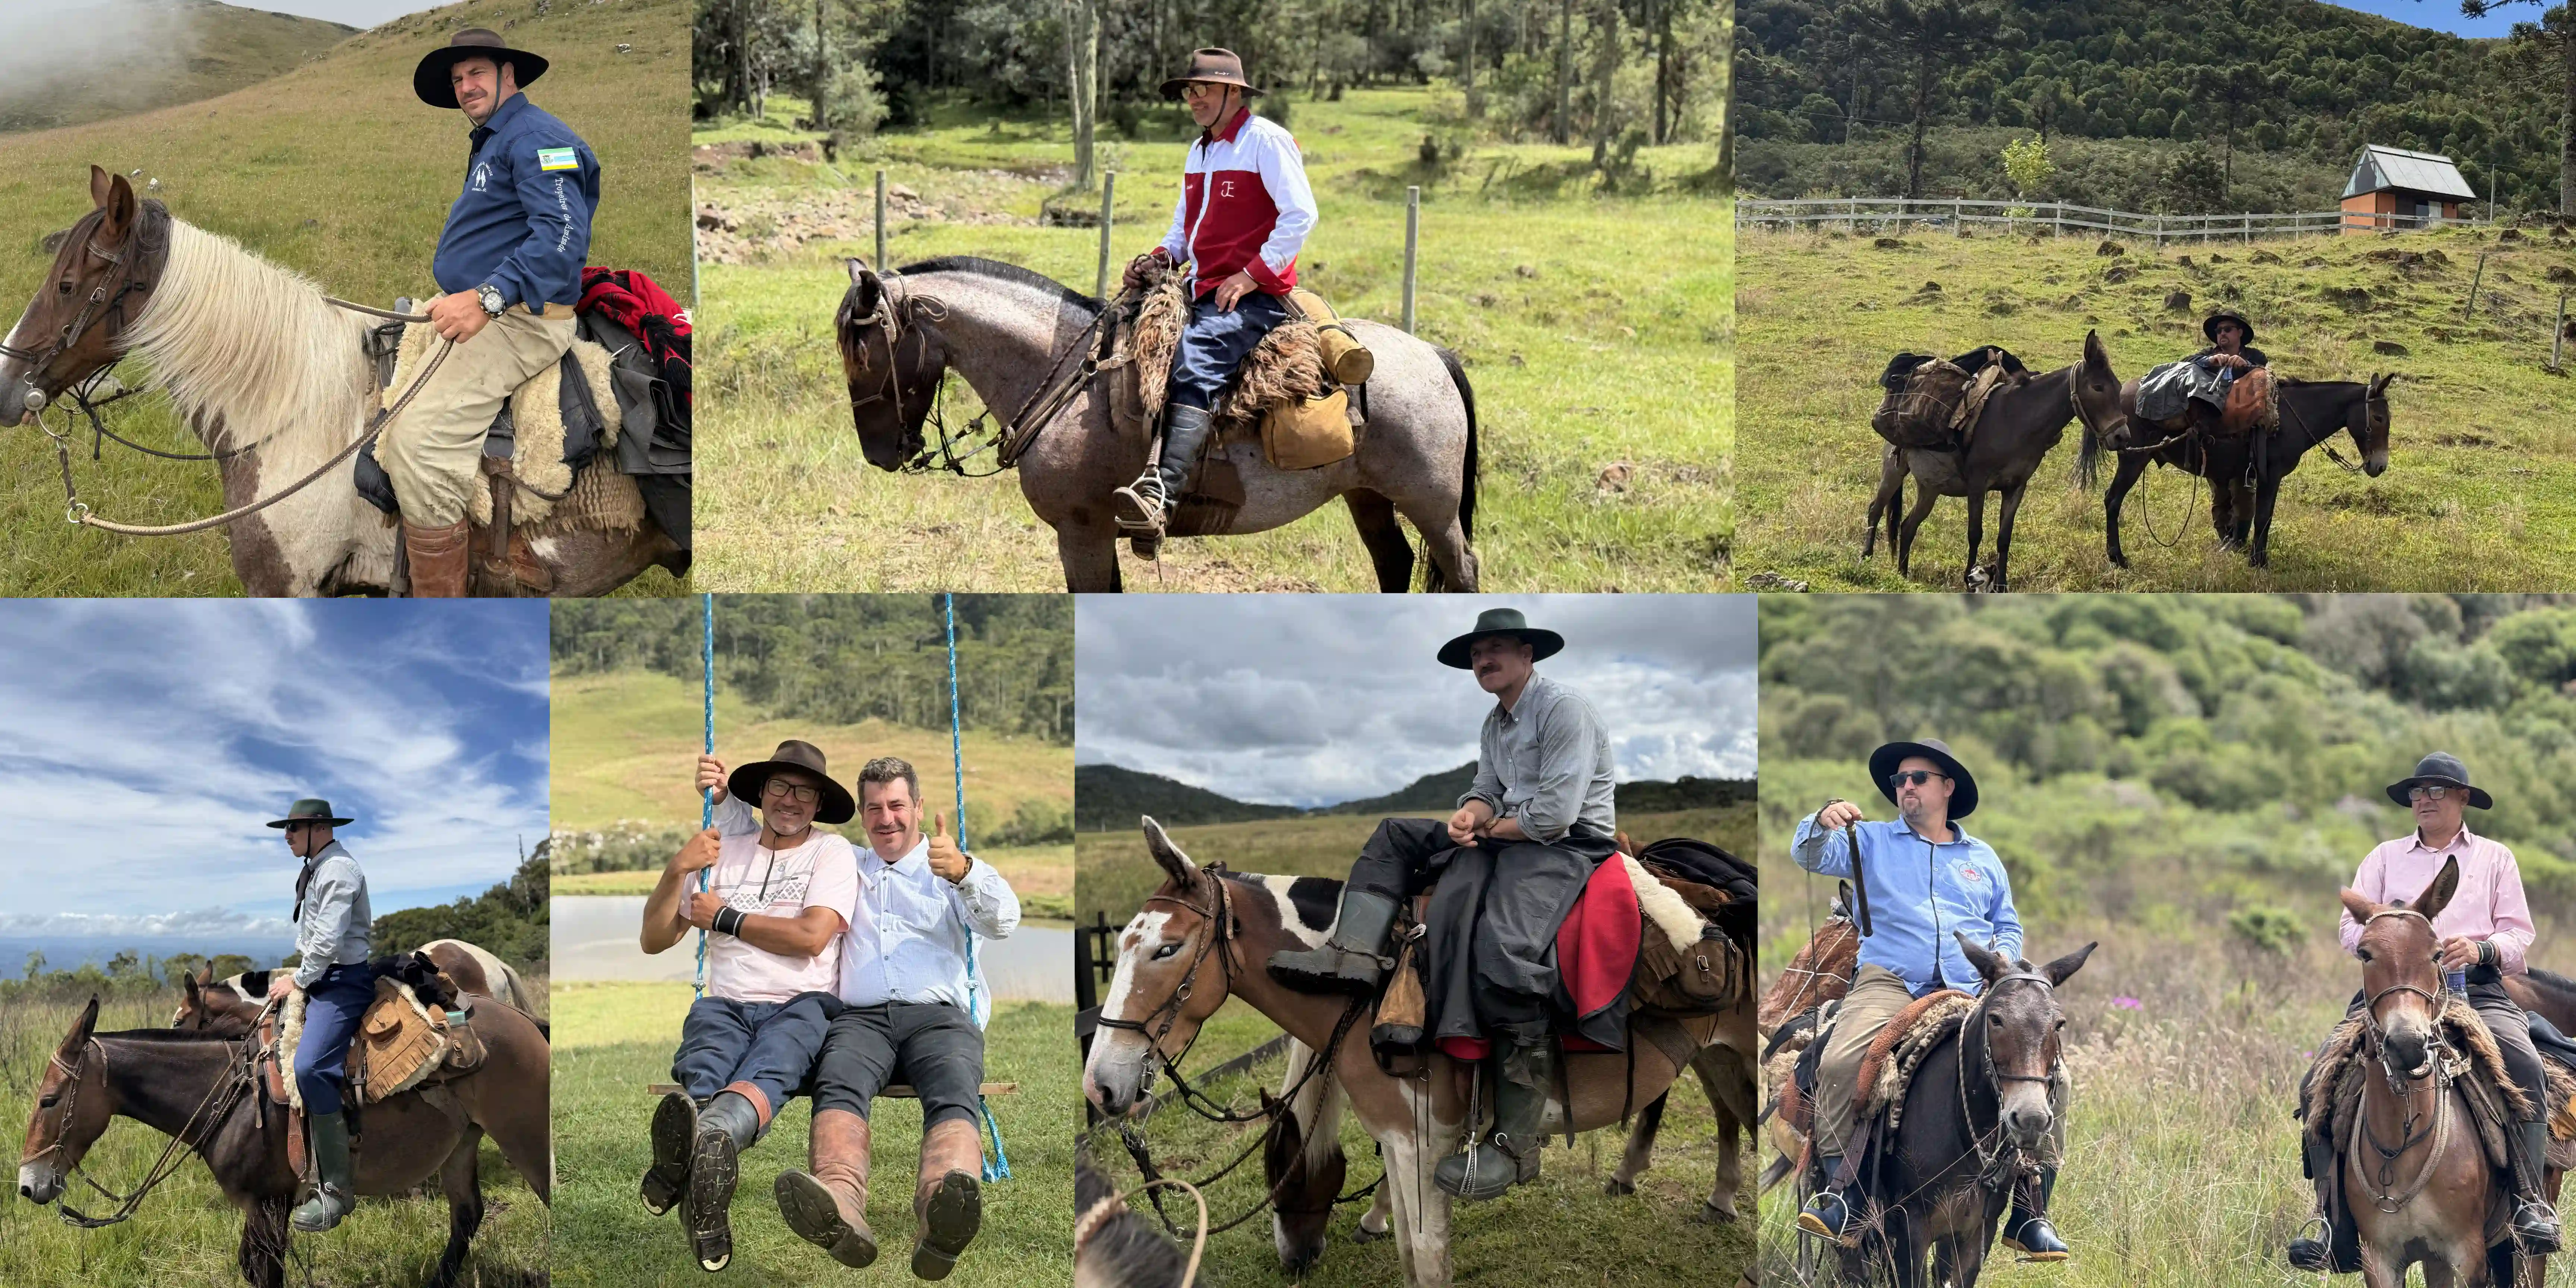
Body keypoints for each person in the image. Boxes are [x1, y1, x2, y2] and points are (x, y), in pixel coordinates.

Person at [1267, 607, 1617, 1201]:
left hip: (1567, 845)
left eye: (1499, 649)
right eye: (1479, 653)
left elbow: (1555, 816)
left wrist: (1491, 830)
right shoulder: (1496, 722)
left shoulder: (1564, 710)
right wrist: (1470, 816)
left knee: (1506, 949)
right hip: (1506, 833)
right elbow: (1486, 789)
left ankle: (1515, 1145)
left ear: (1528, 656)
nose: (1485, 661)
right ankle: (1351, 955)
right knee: (1394, 835)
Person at [1788, 739, 2068, 1261]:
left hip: (1971, 987)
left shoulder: (1982, 858)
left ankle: (2031, 1210)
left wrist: (2002, 965)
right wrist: (1820, 821)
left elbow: (2007, 923)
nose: (1907, 787)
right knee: (1843, 1060)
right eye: (1899, 781)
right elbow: (1808, 855)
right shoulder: (1869, 840)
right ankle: (1844, 1195)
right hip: (1889, 981)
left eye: (1918, 777)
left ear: (1947, 788)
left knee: (2056, 1076)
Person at [2288, 752, 2561, 1271]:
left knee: (2524, 1067)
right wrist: (2393, 935)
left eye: (2436, 791)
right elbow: (2351, 929)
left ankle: (2529, 1204)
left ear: (2463, 799)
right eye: (2417, 792)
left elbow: (2519, 933)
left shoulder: (2495, 857)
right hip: (2395, 989)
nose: (2424, 800)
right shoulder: (2386, 856)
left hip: (2473, 989)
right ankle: (2327, 1221)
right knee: (2317, 1079)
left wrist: (2480, 950)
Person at [750, 757, 1019, 1279]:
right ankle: (841, 1203)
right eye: (874, 808)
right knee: (838, 1079)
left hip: (939, 1016)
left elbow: (1005, 919)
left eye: (897, 805)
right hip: (862, 1019)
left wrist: (965, 871)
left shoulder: (950, 868)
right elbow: (772, 826)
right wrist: (718, 797)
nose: (886, 818)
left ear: (918, 808)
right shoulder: (845, 863)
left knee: (954, 1083)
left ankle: (942, 1206)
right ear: (863, 816)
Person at [388, 27, 602, 595]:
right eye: (458, 79)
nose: (465, 87)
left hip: (523, 319)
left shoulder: (537, 138)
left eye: (476, 73)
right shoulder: (496, 137)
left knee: (417, 446)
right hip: (490, 303)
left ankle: (446, 608)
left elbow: (561, 238)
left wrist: (487, 298)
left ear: (510, 74)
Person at [638, 741, 859, 1273]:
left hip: (800, 1005)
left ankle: (695, 1150)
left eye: (806, 792)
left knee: (774, 1065)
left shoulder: (831, 854)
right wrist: (678, 868)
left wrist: (725, 918)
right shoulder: (723, 852)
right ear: (760, 793)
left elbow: (811, 937)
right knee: (706, 1063)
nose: (792, 800)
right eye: (781, 787)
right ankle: (705, 1160)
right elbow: (654, 939)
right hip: (726, 1004)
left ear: (819, 804)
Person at [1108, 47, 1318, 538]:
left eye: (1203, 89)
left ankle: (1162, 496)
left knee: (1194, 359)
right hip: (1200, 287)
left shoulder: (1266, 141)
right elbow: (1185, 229)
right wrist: (1159, 258)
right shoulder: (1200, 149)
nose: (1193, 98)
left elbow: (1301, 215)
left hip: (1254, 298)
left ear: (1232, 92)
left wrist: (1251, 275)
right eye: (1189, 90)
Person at [263, 798, 373, 1234]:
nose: (287, 835)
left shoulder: (338, 871)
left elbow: (327, 942)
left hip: (342, 982)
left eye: (293, 827)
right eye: (287, 828)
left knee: (309, 1068)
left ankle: (336, 1191)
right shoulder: (318, 869)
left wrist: (301, 981)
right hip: (324, 975)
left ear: (319, 828)